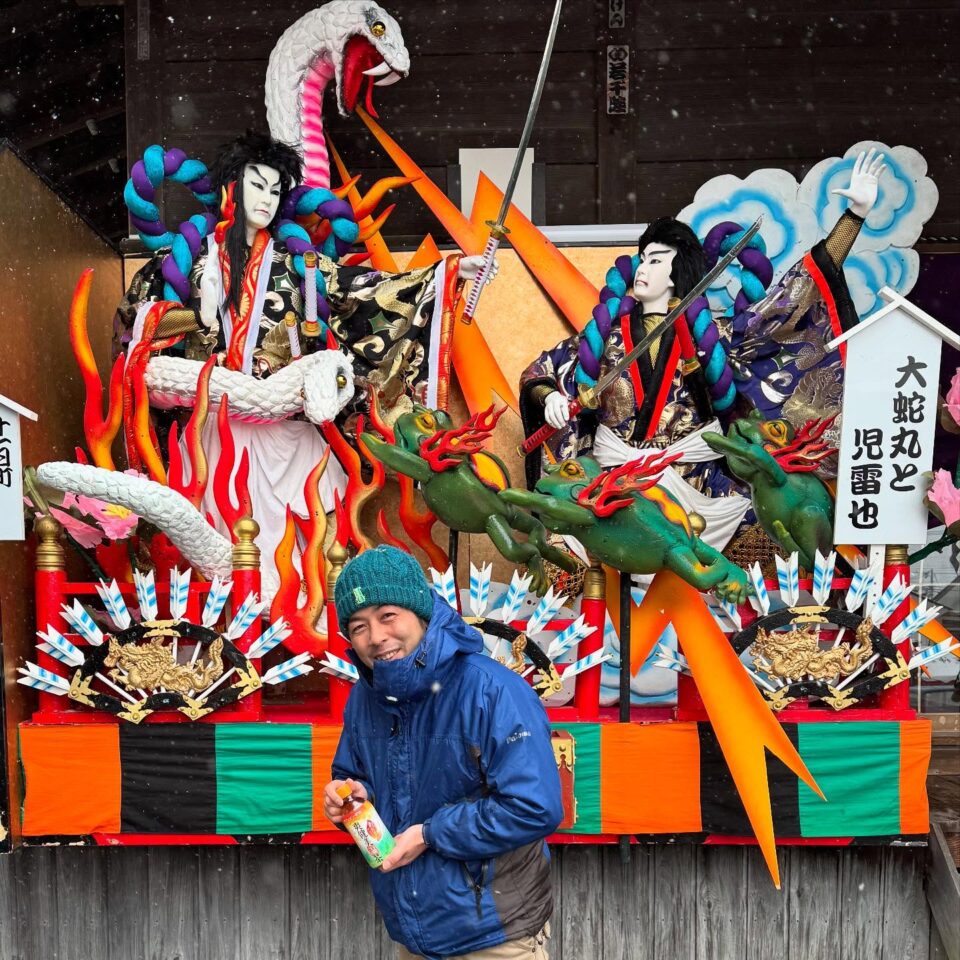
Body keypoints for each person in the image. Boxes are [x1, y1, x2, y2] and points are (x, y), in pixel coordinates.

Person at [117, 133, 495, 595]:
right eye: (257, 185)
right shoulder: (190, 259)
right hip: (210, 428)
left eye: (276, 190)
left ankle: (301, 610)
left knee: (306, 535)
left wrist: (449, 273)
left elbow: (365, 290)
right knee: (212, 535)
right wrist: (197, 312)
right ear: (231, 189)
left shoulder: (301, 266)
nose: (267, 199)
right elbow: (138, 332)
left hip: (283, 425)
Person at [519, 149, 888, 551]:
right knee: (561, 547)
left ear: (679, 272)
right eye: (642, 259)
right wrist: (549, 395)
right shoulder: (606, 335)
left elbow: (791, 299)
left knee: (761, 537)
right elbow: (542, 370)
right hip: (615, 481)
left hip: (700, 479)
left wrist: (853, 217)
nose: (643, 269)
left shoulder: (715, 336)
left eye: (656, 261)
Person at [324, 546, 562, 960]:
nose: (376, 637)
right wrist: (353, 797)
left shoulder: (492, 690)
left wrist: (428, 833)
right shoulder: (365, 697)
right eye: (358, 626)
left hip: (495, 934)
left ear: (421, 613)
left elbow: (534, 807)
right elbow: (354, 772)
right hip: (413, 933)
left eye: (387, 616)